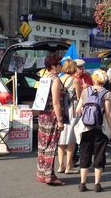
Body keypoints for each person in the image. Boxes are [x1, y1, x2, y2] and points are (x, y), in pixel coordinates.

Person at [74, 69, 111, 192]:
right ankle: (97, 184)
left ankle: (82, 183)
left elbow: (78, 110)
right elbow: (108, 114)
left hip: (85, 128)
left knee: (85, 154)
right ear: (104, 81)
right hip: (101, 128)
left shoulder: (85, 91)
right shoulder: (107, 93)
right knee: (99, 155)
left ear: (93, 79)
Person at [36, 53, 66, 186]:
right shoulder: (55, 80)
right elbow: (55, 101)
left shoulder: (44, 77)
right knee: (51, 146)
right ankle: (49, 176)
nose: (62, 66)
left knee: (43, 145)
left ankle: (42, 173)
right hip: (51, 115)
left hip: (43, 114)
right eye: (60, 64)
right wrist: (60, 120)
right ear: (54, 65)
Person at [57, 59, 82, 174]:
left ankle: (60, 165)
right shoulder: (75, 80)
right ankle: (68, 166)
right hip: (72, 109)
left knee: (61, 140)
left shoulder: (59, 79)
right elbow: (79, 97)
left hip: (61, 110)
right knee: (71, 139)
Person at [72, 58, 93, 166]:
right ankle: (73, 158)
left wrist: (89, 86)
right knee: (74, 134)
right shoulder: (71, 78)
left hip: (87, 108)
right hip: (75, 108)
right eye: (80, 67)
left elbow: (94, 88)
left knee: (84, 133)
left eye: (83, 67)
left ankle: (82, 157)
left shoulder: (87, 76)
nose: (82, 69)